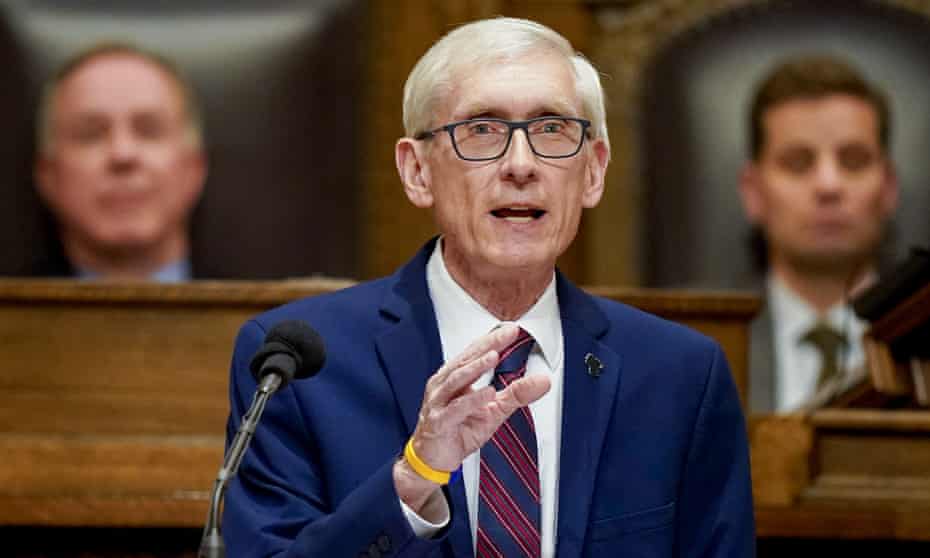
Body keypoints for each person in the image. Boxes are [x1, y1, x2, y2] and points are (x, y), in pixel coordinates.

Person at [223, 17, 753, 557]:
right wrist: (413, 480)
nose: (520, 165)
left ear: (593, 172)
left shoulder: (680, 376)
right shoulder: (299, 368)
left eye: (552, 129)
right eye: (481, 129)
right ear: (417, 171)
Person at [739, 55, 899, 413]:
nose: (829, 185)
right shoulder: (699, 344)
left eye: (854, 161)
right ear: (753, 192)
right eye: (798, 163)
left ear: (888, 188)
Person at [33, 43, 207, 281]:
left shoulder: (267, 313)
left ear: (194, 169)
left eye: (149, 130)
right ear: (48, 174)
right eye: (90, 134)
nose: (122, 154)